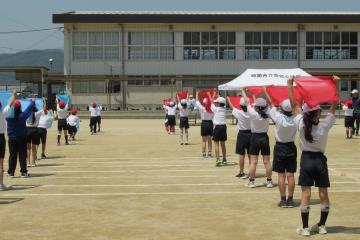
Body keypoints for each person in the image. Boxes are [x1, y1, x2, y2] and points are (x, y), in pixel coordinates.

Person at [290, 76, 340, 236]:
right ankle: (322, 225)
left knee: (306, 194)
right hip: (320, 160)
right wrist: (336, 84)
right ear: (318, 112)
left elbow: (294, 106)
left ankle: (305, 228)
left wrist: (289, 85)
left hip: (306, 160)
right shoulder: (325, 125)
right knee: (323, 193)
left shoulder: (302, 124)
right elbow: (334, 104)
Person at [263, 86, 298, 207]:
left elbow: (271, 103)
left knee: (281, 175)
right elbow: (298, 107)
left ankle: (283, 200)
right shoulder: (296, 118)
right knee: (291, 175)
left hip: (280, 147)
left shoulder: (278, 117)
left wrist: (266, 91)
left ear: (282, 109)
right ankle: (291, 199)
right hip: (291, 147)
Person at [241, 89, 273, 188]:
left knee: (253, 162)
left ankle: (251, 182)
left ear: (257, 107)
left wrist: (242, 90)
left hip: (255, 137)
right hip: (264, 137)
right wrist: (265, 91)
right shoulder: (267, 113)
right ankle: (269, 181)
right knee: (267, 161)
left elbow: (246, 101)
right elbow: (271, 103)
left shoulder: (253, 113)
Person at [7, 93, 35, 178]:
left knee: (12, 155)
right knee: (22, 155)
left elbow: (9, 106)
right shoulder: (22, 116)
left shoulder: (8, 117)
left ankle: (11, 172)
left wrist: (13, 96)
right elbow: (29, 108)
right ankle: (23, 172)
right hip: (22, 138)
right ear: (20, 107)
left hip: (11, 138)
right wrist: (32, 101)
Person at [228, 97, 251, 179]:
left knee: (241, 154)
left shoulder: (239, 112)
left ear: (240, 105)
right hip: (251, 134)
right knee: (250, 154)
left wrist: (229, 100)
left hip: (242, 134)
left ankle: (241, 172)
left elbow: (232, 107)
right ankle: (252, 171)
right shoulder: (252, 112)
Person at [207, 93, 227, 166]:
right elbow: (217, 102)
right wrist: (217, 96)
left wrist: (210, 95)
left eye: (217, 102)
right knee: (223, 144)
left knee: (216, 144)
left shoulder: (215, 109)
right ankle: (224, 159)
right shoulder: (224, 109)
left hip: (217, 127)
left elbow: (212, 102)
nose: (216, 103)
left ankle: (218, 159)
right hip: (224, 127)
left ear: (219, 103)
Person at [26, 98, 46, 167]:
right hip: (35, 130)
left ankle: (28, 162)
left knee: (28, 148)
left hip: (27, 130)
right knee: (34, 147)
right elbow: (44, 109)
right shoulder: (37, 113)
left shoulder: (26, 113)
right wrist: (44, 101)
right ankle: (33, 162)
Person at [0, 92, 14, 190]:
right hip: (1, 138)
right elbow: (10, 103)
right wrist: (13, 94)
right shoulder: (3, 113)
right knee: (1, 163)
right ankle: (0, 184)